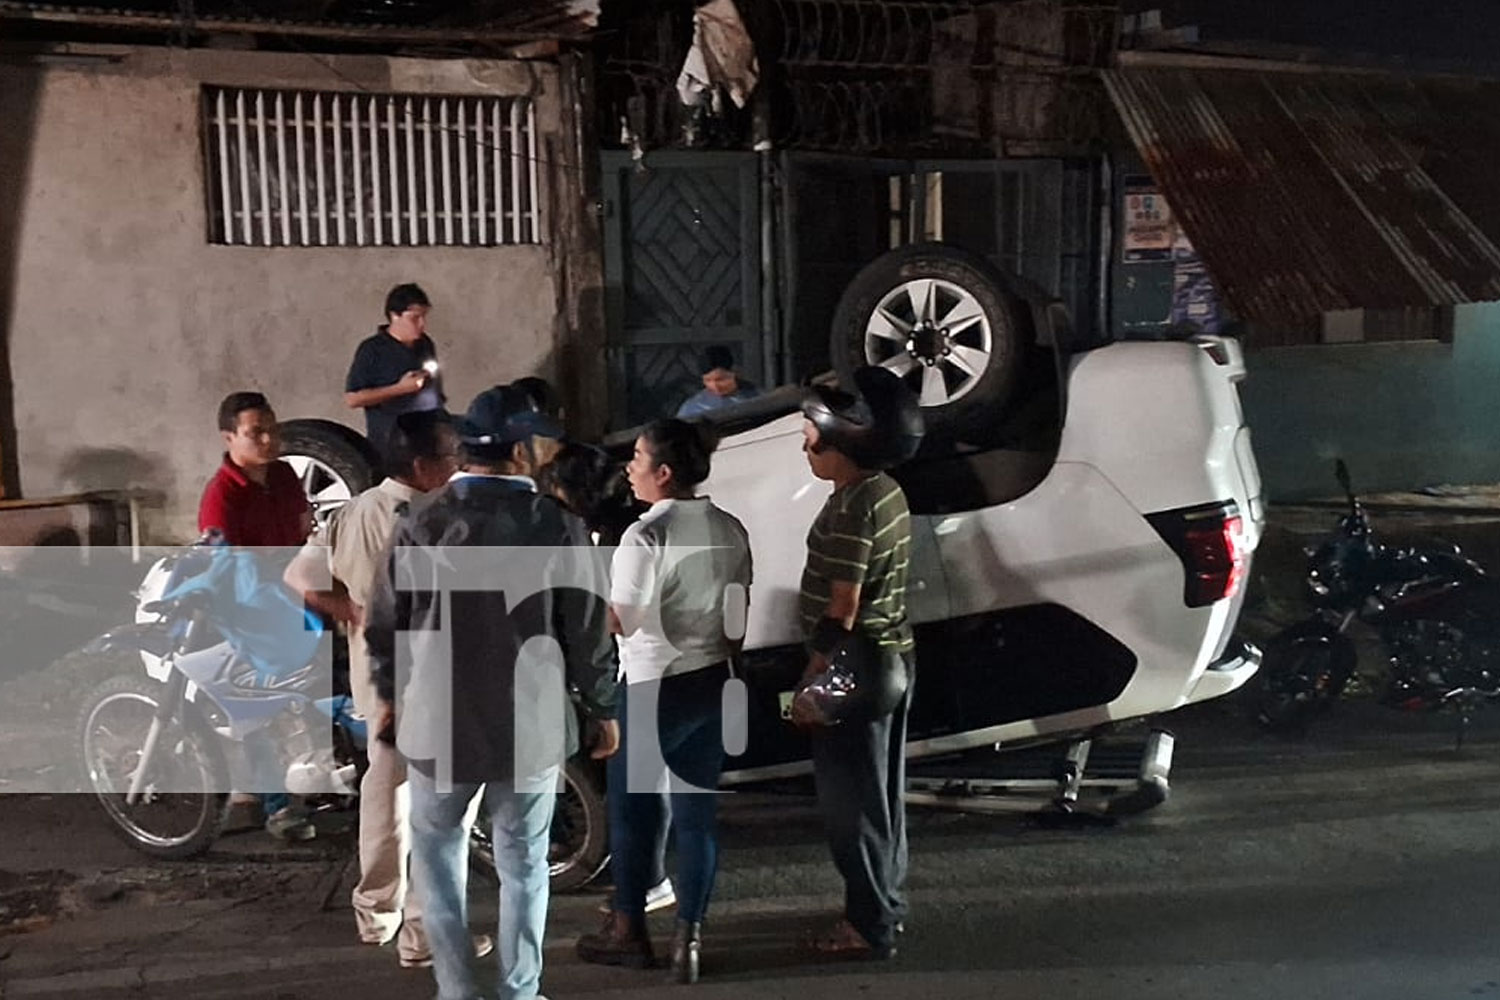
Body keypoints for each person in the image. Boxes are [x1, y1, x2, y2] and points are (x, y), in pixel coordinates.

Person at [366, 384, 620, 1000]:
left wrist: (389, 696)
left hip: (437, 725)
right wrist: (602, 707)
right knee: (526, 867)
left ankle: (456, 990)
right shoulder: (556, 525)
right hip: (527, 726)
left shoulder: (420, 521)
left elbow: (382, 625)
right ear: (521, 449)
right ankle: (520, 990)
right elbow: (585, 628)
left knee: (438, 864)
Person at [282, 410, 486, 969]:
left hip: (376, 680)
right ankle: (425, 936)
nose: (459, 466)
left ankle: (375, 913)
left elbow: (297, 577)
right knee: (443, 817)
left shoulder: (351, 512)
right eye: (451, 457)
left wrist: (348, 608)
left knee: (386, 790)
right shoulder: (440, 519)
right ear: (423, 466)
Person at [575, 419, 752, 984]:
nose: (630, 466)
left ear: (664, 472)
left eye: (638, 457)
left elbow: (620, 621)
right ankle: (690, 938)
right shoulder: (730, 529)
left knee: (635, 814)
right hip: (711, 681)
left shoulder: (644, 536)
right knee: (697, 819)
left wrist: (581, 614)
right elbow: (737, 619)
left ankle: (629, 931)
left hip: (652, 686)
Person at [792, 366, 923, 961]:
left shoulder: (853, 508)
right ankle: (883, 906)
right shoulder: (885, 491)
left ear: (839, 438)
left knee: (850, 805)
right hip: (892, 656)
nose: (805, 444)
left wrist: (813, 679)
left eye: (809, 432)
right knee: (881, 795)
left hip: (854, 663)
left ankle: (867, 926)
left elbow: (841, 608)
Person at [542, 443, 678, 917]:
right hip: (658, 666)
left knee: (633, 785)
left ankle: (647, 881)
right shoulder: (630, 525)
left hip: (636, 670)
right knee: (643, 782)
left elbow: (612, 616)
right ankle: (645, 876)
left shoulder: (614, 536)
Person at [198, 391, 316, 841]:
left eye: (273, 429)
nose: (269, 440)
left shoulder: (285, 476)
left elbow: (304, 533)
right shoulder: (221, 495)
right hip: (251, 611)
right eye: (255, 433)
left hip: (297, 596)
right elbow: (227, 567)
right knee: (258, 709)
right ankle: (277, 804)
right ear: (229, 437)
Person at [344, 283, 445, 456]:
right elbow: (353, 399)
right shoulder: (372, 350)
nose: (422, 324)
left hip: (427, 442)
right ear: (394, 316)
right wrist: (400, 389)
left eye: (424, 317)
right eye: (414, 318)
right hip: (390, 445)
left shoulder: (425, 345)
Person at [675, 346, 760, 419]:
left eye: (721, 379)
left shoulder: (757, 399)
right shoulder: (692, 407)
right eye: (708, 380)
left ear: (734, 372)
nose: (715, 386)